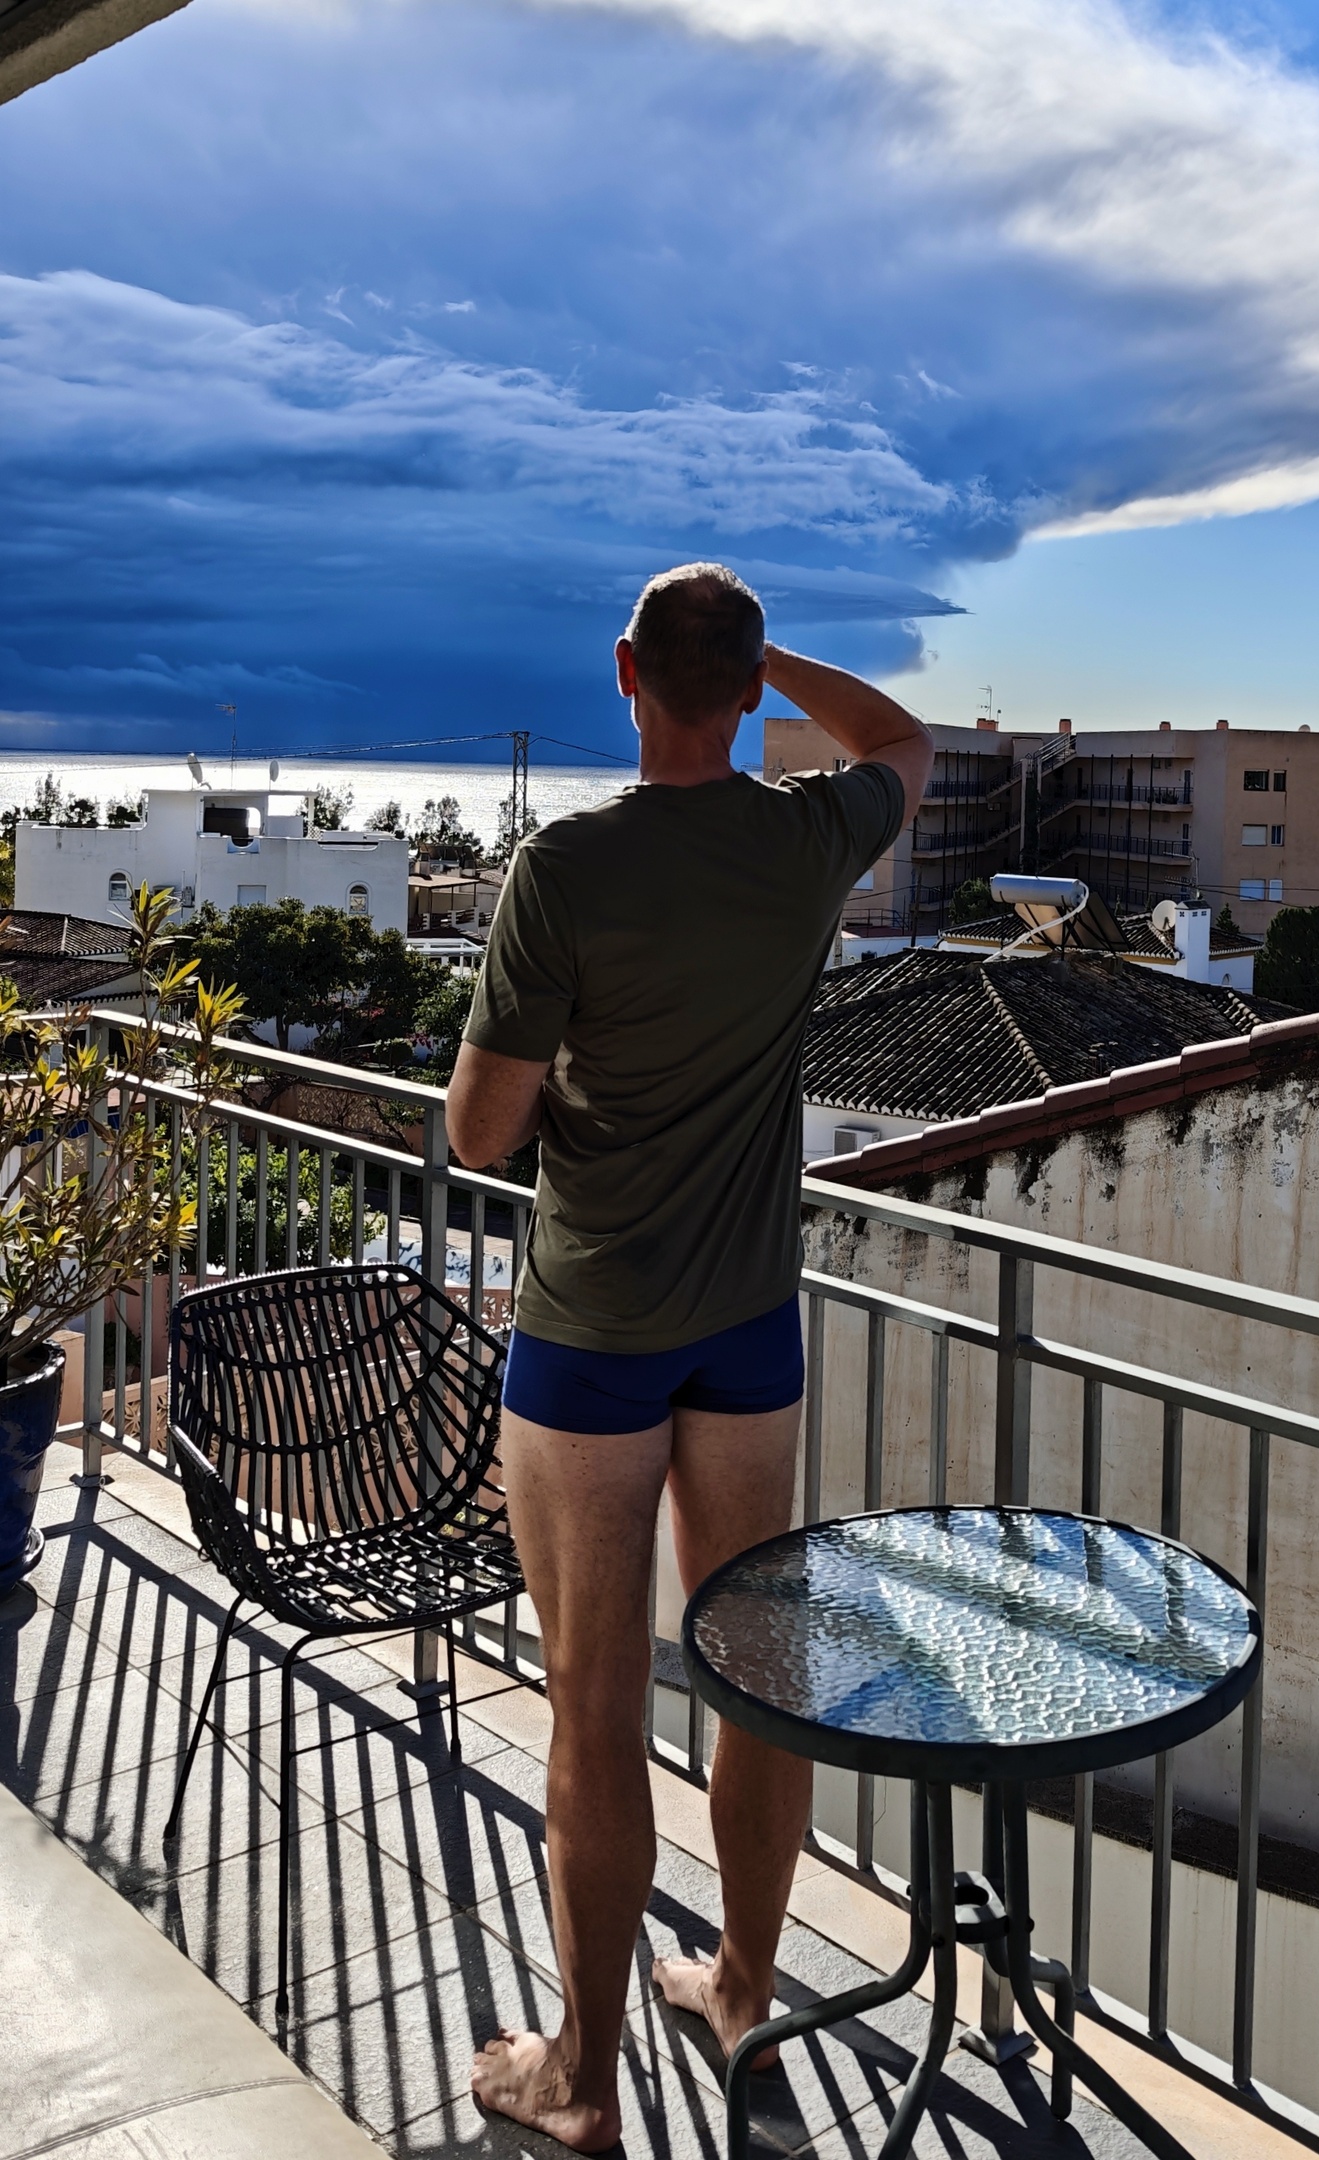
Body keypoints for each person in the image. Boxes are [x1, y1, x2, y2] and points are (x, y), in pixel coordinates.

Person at [447, 563, 932, 2149]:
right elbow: (903, 741)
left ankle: (577, 2084)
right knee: (757, 1677)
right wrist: (764, 662)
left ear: (624, 675)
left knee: (594, 1701)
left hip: (593, 1331)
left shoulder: (563, 867)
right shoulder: (808, 841)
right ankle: (739, 1984)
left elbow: (481, 1128)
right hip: (748, 1325)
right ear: (744, 693)